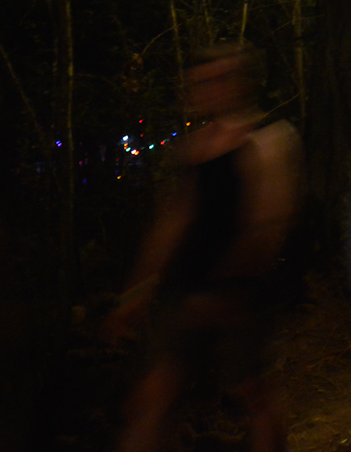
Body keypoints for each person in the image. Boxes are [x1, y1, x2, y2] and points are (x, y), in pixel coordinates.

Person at [105, 45, 303, 452]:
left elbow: (267, 224)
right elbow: (174, 221)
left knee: (254, 392)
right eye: (200, 83)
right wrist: (136, 292)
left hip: (242, 294)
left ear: (240, 83)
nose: (209, 90)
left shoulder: (268, 140)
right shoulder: (197, 147)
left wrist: (226, 291)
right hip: (189, 291)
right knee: (153, 395)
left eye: (219, 79)